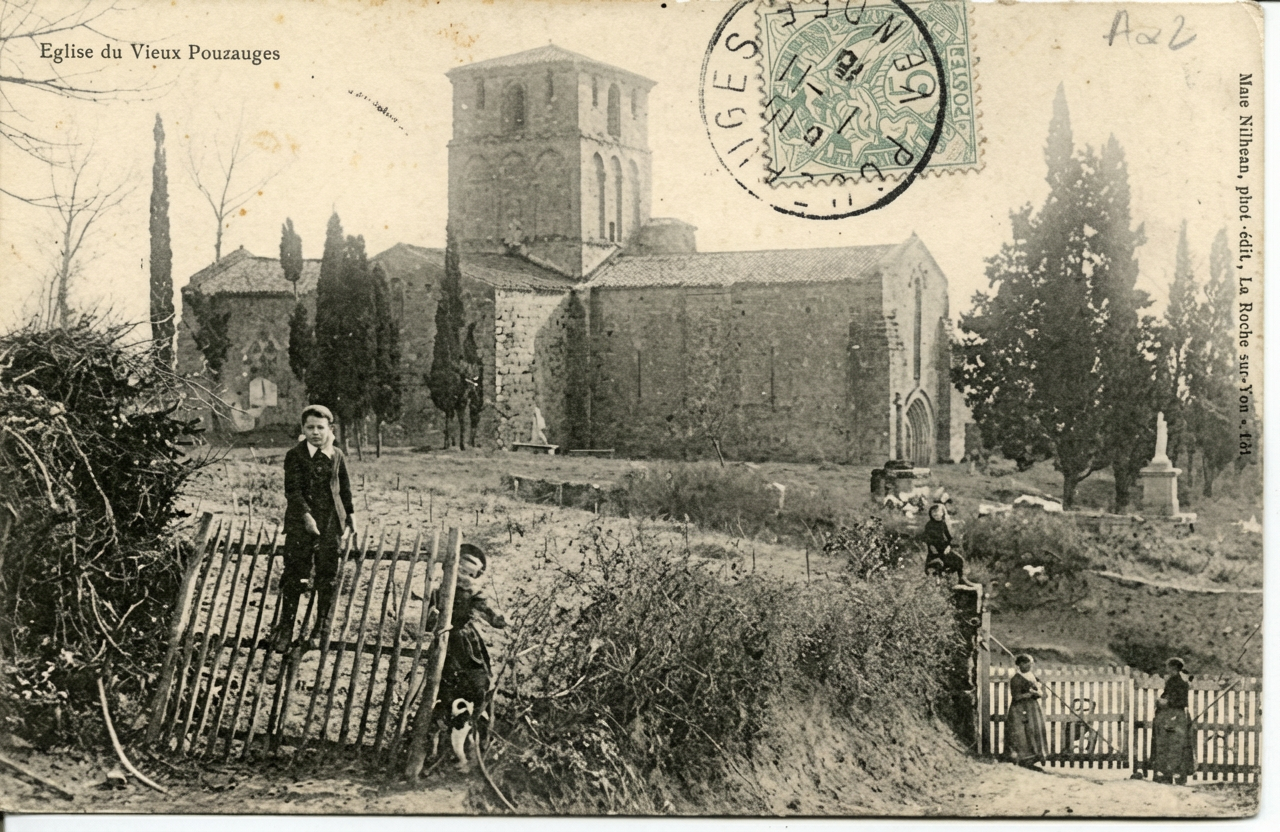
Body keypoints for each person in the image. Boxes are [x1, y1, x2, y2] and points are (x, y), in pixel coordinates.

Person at [272, 405, 356, 654]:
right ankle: (286, 629)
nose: (316, 432)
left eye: (321, 428)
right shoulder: (295, 455)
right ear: (303, 429)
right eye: (310, 427)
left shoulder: (337, 455)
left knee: (326, 576)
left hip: (331, 523)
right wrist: (307, 517)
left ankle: (321, 629)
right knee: (295, 575)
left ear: (330, 429)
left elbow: (345, 489)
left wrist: (350, 516)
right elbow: (293, 491)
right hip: (301, 523)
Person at [430, 543, 506, 773]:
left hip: (466, 641)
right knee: (447, 691)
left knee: (477, 684)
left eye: (472, 572)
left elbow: (489, 610)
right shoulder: (438, 589)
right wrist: (434, 617)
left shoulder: (472, 592)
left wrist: (499, 618)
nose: (467, 575)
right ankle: (446, 745)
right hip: (447, 641)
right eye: (464, 569)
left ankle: (469, 739)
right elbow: (427, 618)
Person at [1148, 657, 1197, 785]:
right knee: (1172, 744)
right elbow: (1167, 695)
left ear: (1173, 668)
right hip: (1172, 716)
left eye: (1168, 667)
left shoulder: (1178, 682)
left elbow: (1179, 701)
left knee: (1173, 744)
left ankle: (1172, 773)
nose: (1166, 669)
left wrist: (1164, 702)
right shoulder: (1173, 681)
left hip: (1174, 716)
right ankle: (1169, 773)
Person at [1005, 654, 1048, 770]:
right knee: (1022, 733)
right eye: (1028, 663)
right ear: (1021, 664)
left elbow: (1042, 694)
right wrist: (1030, 694)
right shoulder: (1016, 679)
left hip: (1032, 708)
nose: (1030, 666)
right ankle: (1023, 759)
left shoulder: (1032, 677)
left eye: (1031, 663)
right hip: (1019, 709)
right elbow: (1016, 696)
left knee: (1034, 730)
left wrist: (1038, 692)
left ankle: (1034, 758)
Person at [923, 503, 972, 586]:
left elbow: (948, 537)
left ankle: (960, 579)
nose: (935, 514)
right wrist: (933, 548)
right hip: (934, 550)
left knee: (959, 561)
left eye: (937, 512)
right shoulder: (929, 525)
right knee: (938, 564)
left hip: (943, 548)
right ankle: (939, 579)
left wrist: (948, 546)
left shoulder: (942, 523)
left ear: (942, 513)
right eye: (933, 512)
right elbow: (927, 539)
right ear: (930, 514)